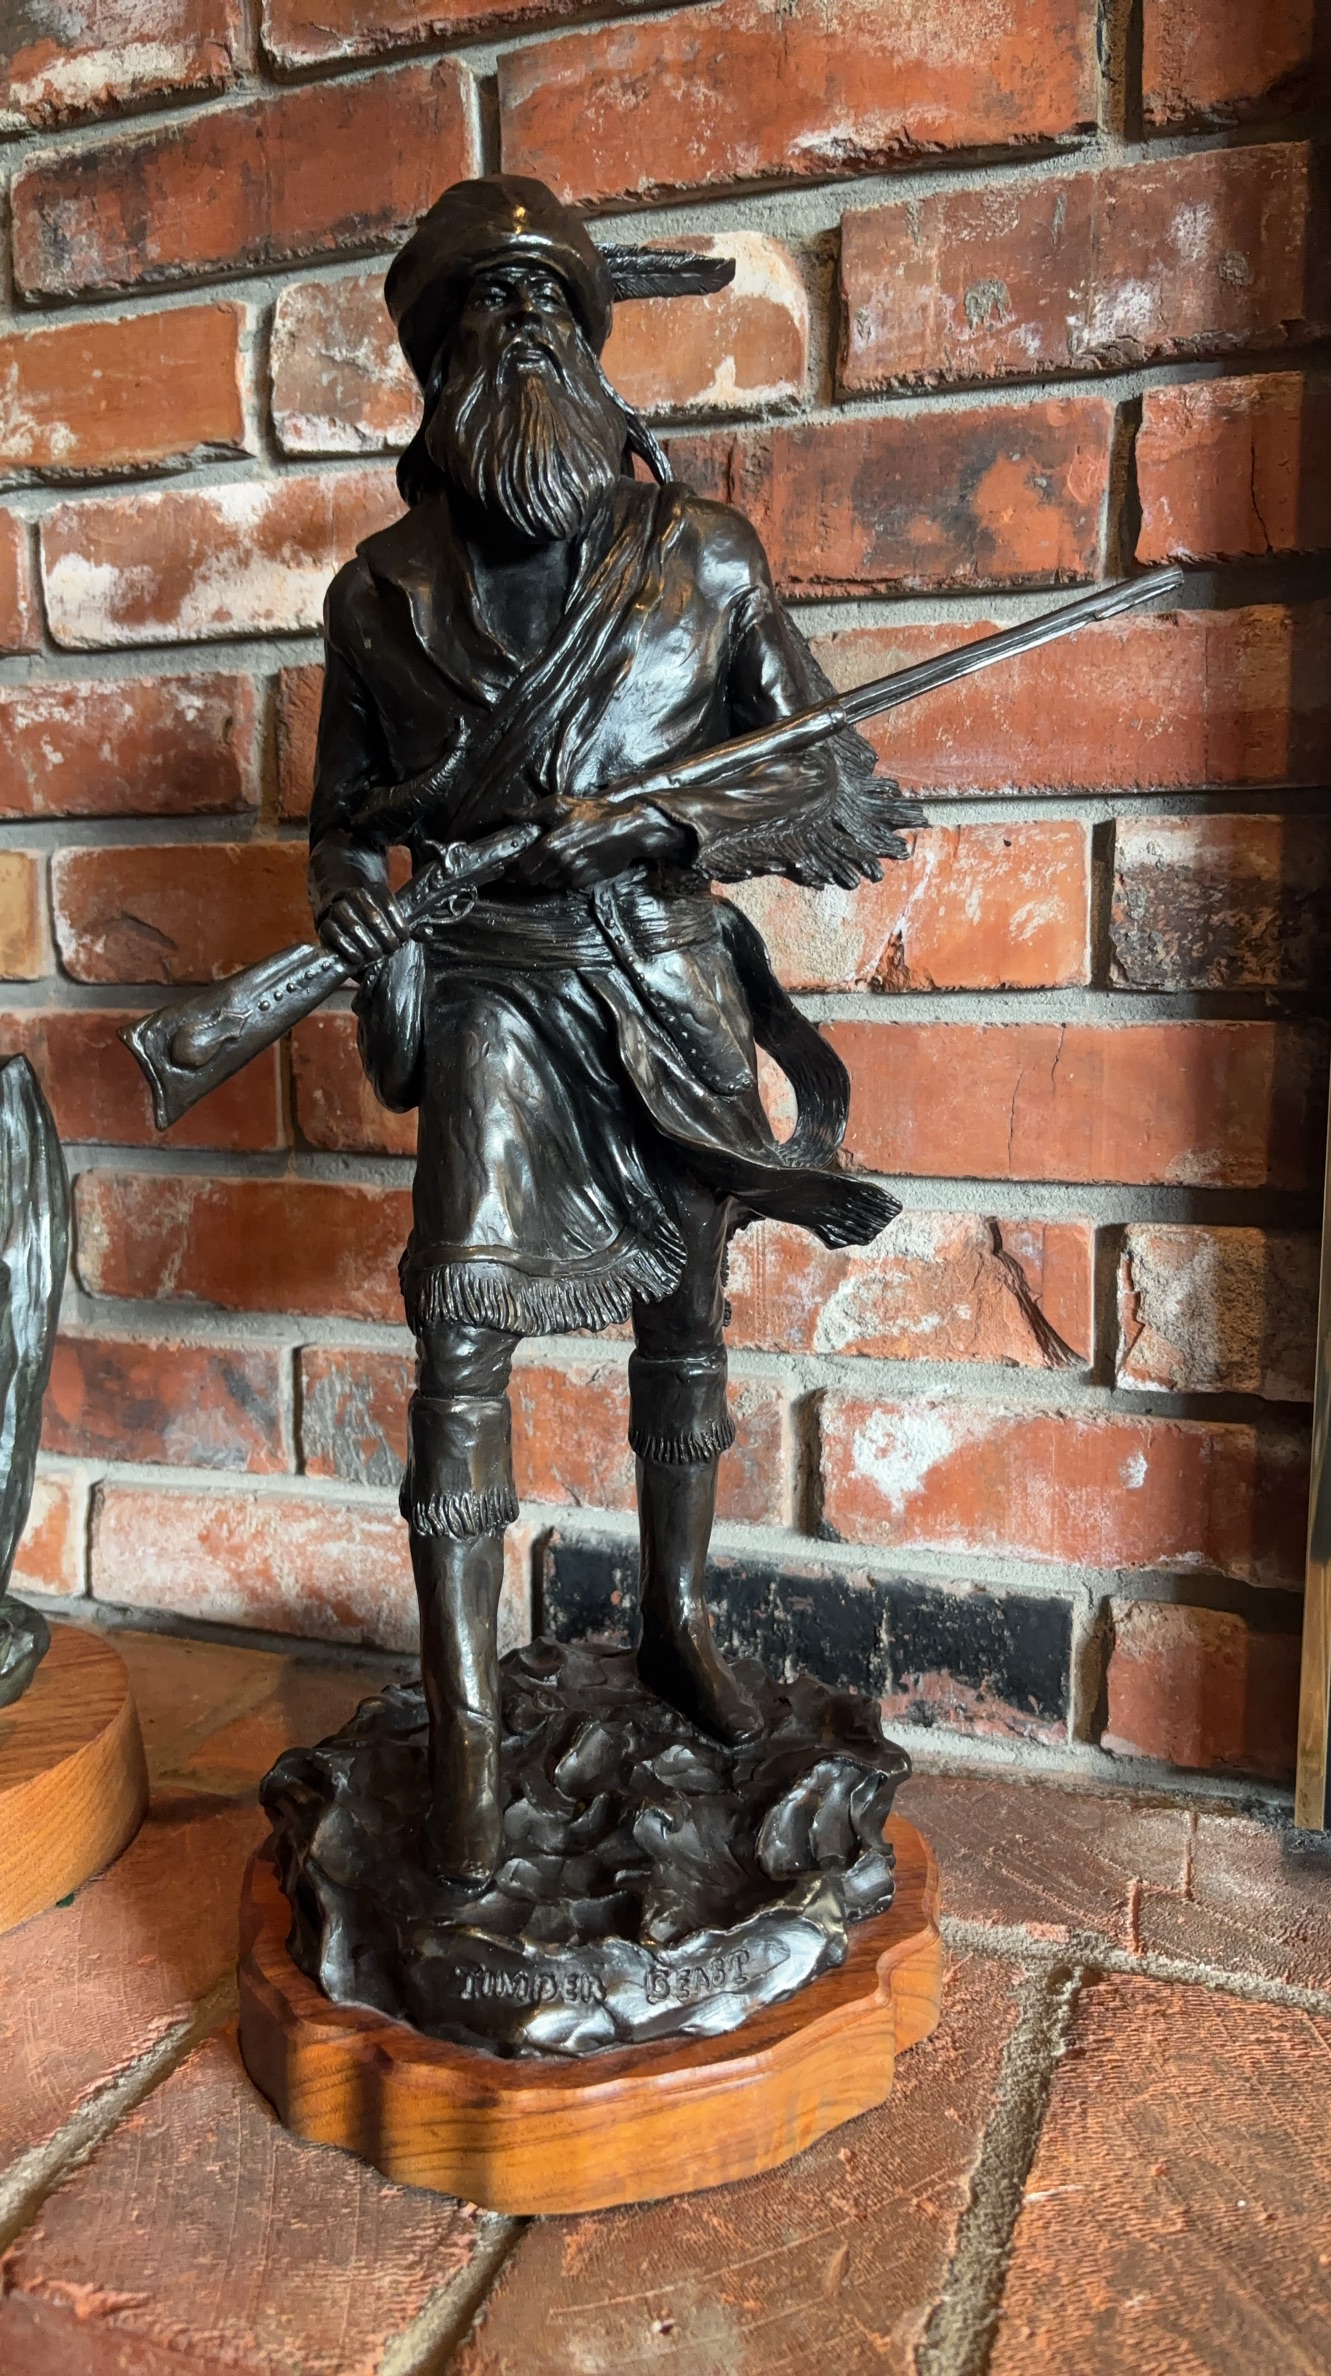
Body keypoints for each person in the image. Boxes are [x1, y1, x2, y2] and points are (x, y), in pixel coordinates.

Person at [308, 175, 921, 1886]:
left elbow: (830, 783)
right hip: (491, 985)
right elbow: (342, 824)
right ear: (436, 361)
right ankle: (465, 1737)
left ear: (589, 343)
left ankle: (677, 1624)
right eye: (483, 307)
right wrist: (351, 901)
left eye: (546, 305)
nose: (520, 332)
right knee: (462, 1320)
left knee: (687, 1312)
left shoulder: (702, 556)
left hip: (663, 975)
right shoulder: (376, 593)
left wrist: (651, 824)